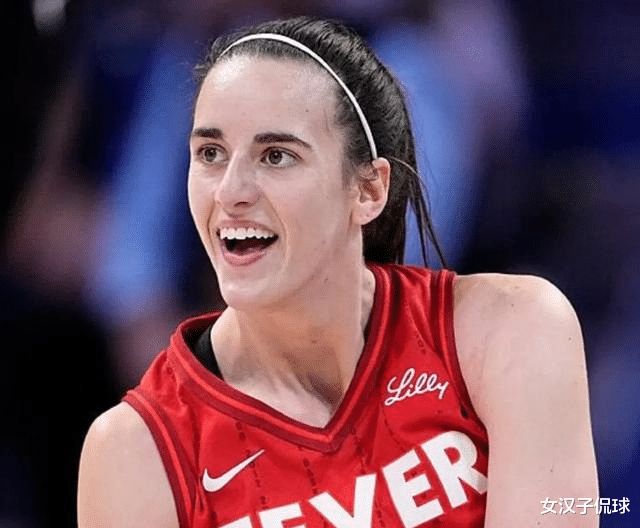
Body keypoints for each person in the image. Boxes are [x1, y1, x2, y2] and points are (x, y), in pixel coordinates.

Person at [77, 16, 598, 528]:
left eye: (276, 156)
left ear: (369, 190)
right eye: (210, 153)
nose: (230, 192)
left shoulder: (514, 331)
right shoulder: (134, 454)